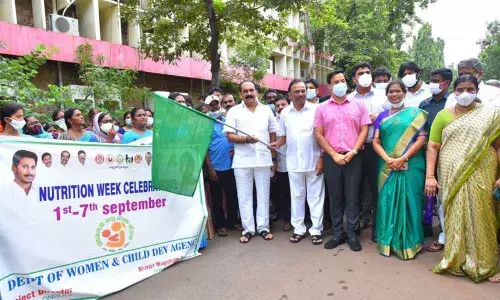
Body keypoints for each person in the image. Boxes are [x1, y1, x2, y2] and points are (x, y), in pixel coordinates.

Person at [426, 75, 500, 283]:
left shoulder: (491, 115)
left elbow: (498, 145)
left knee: (483, 214)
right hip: (451, 173)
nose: (464, 93)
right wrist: (430, 176)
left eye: (469, 89)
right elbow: (433, 146)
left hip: (483, 172)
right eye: (460, 89)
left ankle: (486, 264)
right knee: (454, 214)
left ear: (477, 91)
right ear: (453, 91)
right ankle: (456, 259)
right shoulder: (442, 116)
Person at [314, 70, 370, 251]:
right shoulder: (321, 108)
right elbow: (318, 134)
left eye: (343, 80)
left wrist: (353, 152)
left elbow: (364, 130)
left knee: (353, 196)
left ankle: (352, 234)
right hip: (332, 158)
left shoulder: (359, 105)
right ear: (330, 86)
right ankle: (338, 234)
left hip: (354, 157)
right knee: (335, 197)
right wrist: (333, 154)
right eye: (336, 81)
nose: (340, 84)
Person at [372, 80, 427, 260]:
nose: (394, 95)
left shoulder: (415, 114)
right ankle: (388, 241)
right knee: (387, 201)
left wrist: (403, 158)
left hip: (411, 165)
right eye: (391, 92)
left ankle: (411, 242)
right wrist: (389, 159)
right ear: (386, 95)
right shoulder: (382, 116)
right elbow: (376, 141)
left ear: (405, 93)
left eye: (398, 91)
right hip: (387, 165)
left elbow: (421, 139)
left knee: (411, 201)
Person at [224, 81, 278, 243]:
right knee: (244, 196)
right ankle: (248, 229)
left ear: (257, 92)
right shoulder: (234, 111)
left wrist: (273, 157)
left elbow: (272, 133)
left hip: (263, 159)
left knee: (263, 195)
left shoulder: (266, 109)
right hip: (242, 161)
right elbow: (230, 135)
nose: (249, 93)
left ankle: (263, 227)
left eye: (251, 90)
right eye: (245, 91)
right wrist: (246, 139)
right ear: (240, 94)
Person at [271, 80, 325, 245]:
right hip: (293, 162)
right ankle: (299, 229)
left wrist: (322, 158)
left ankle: (316, 230)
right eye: (297, 91)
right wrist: (277, 144)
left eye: (303, 91)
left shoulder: (317, 110)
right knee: (297, 196)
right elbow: (283, 136)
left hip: (314, 160)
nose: (301, 94)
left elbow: (324, 135)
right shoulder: (285, 113)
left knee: (316, 197)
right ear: (289, 94)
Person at [348, 62, 386, 240]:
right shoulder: (348, 99)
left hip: (376, 148)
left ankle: (377, 229)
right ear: (354, 78)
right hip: (354, 150)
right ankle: (354, 228)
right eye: (360, 73)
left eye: (367, 72)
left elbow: (393, 117)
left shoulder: (383, 96)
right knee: (354, 189)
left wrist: (378, 119)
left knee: (376, 189)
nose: (364, 75)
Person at [418, 68, 454, 245]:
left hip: (450, 154)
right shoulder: (424, 104)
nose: (432, 83)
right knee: (427, 189)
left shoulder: (453, 104)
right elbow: (419, 129)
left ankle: (445, 229)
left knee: (445, 193)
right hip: (427, 152)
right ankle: (426, 224)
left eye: (435, 80)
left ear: (446, 83)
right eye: (430, 80)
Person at [205, 94, 240, 237]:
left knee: (232, 195)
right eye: (211, 105)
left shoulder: (228, 122)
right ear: (207, 107)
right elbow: (205, 149)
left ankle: (232, 221)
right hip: (216, 167)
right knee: (217, 197)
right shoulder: (206, 124)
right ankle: (220, 225)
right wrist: (210, 168)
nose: (214, 106)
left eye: (216, 103)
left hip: (231, 166)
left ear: (220, 104)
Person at [272, 94, 292, 232]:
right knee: (285, 193)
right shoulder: (274, 121)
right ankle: (287, 219)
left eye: (283, 105)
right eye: (277, 106)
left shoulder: (294, 118)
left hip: (297, 162)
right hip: (282, 164)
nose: (280, 108)